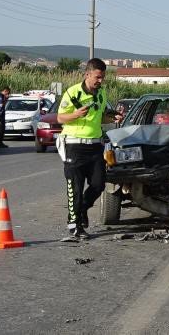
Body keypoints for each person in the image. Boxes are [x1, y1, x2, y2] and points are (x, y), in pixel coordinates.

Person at [56, 58, 110, 240]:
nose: (100, 81)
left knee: (98, 184)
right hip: (74, 145)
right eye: (98, 77)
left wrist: (113, 118)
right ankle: (75, 226)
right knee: (76, 188)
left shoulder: (101, 94)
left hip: (95, 145)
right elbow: (60, 118)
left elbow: (100, 117)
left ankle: (83, 209)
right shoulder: (73, 93)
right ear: (87, 74)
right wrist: (76, 114)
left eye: (102, 77)